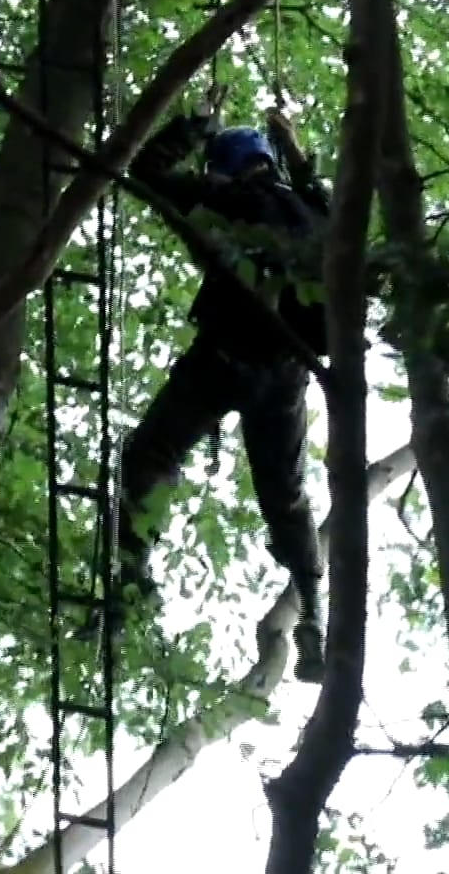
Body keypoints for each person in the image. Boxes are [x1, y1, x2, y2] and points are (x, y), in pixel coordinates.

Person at [93, 97, 333, 684]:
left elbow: (147, 171)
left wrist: (196, 124)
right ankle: (313, 610)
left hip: (225, 356)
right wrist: (294, 150)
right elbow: (324, 200)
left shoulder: (224, 198)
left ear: (225, 167)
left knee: (151, 454)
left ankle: (130, 576)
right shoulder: (313, 209)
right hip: (285, 370)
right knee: (285, 496)